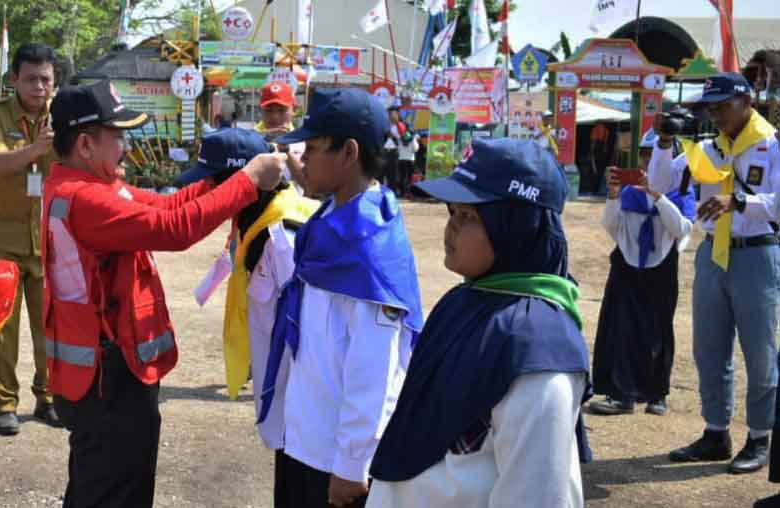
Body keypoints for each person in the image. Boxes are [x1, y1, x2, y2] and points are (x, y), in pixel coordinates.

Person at [42, 80, 284, 507]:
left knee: (101, 485)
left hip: (103, 373)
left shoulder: (88, 186)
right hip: (107, 380)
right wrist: (247, 181)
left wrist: (222, 180)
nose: (125, 148)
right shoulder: (84, 198)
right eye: (117, 137)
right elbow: (173, 229)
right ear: (85, 144)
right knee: (114, 491)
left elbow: (166, 206)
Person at [368, 138, 592, 508]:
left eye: (469, 217)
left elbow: (536, 495)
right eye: (452, 212)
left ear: (515, 227)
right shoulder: (462, 302)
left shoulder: (537, 350)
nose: (450, 228)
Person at [250, 88, 422, 508]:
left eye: (312, 148)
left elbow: (374, 371)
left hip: (334, 461)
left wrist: (352, 463)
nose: (302, 159)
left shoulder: (368, 245)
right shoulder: (329, 220)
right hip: (303, 438)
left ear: (348, 153)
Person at [651, 72, 780, 477]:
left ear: (748, 103)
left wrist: (738, 201)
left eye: (724, 106)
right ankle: (716, 432)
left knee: (759, 353)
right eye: (712, 108)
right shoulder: (708, 148)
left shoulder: (772, 145)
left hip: (756, 253)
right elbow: (658, 183)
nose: (717, 114)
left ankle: (759, 436)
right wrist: (664, 142)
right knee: (709, 349)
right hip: (712, 254)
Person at [172, 128, 318, 416]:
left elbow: (305, 330)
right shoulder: (253, 224)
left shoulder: (281, 236)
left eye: (214, 183)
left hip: (294, 399)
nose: (207, 192)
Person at [0, 43, 61, 435]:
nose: (39, 87)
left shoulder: (64, 116)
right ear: (14, 80)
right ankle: (4, 402)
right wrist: (36, 149)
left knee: (51, 324)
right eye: (31, 79)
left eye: (46, 79)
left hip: (49, 238)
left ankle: (49, 397)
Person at [586, 130, 695, 417]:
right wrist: (612, 195)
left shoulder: (681, 193)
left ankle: (657, 394)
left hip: (661, 268)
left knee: (659, 330)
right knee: (621, 328)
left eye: (654, 156)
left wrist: (657, 196)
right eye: (644, 155)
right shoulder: (629, 192)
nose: (648, 162)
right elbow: (612, 226)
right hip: (627, 264)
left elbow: (682, 229)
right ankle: (621, 394)